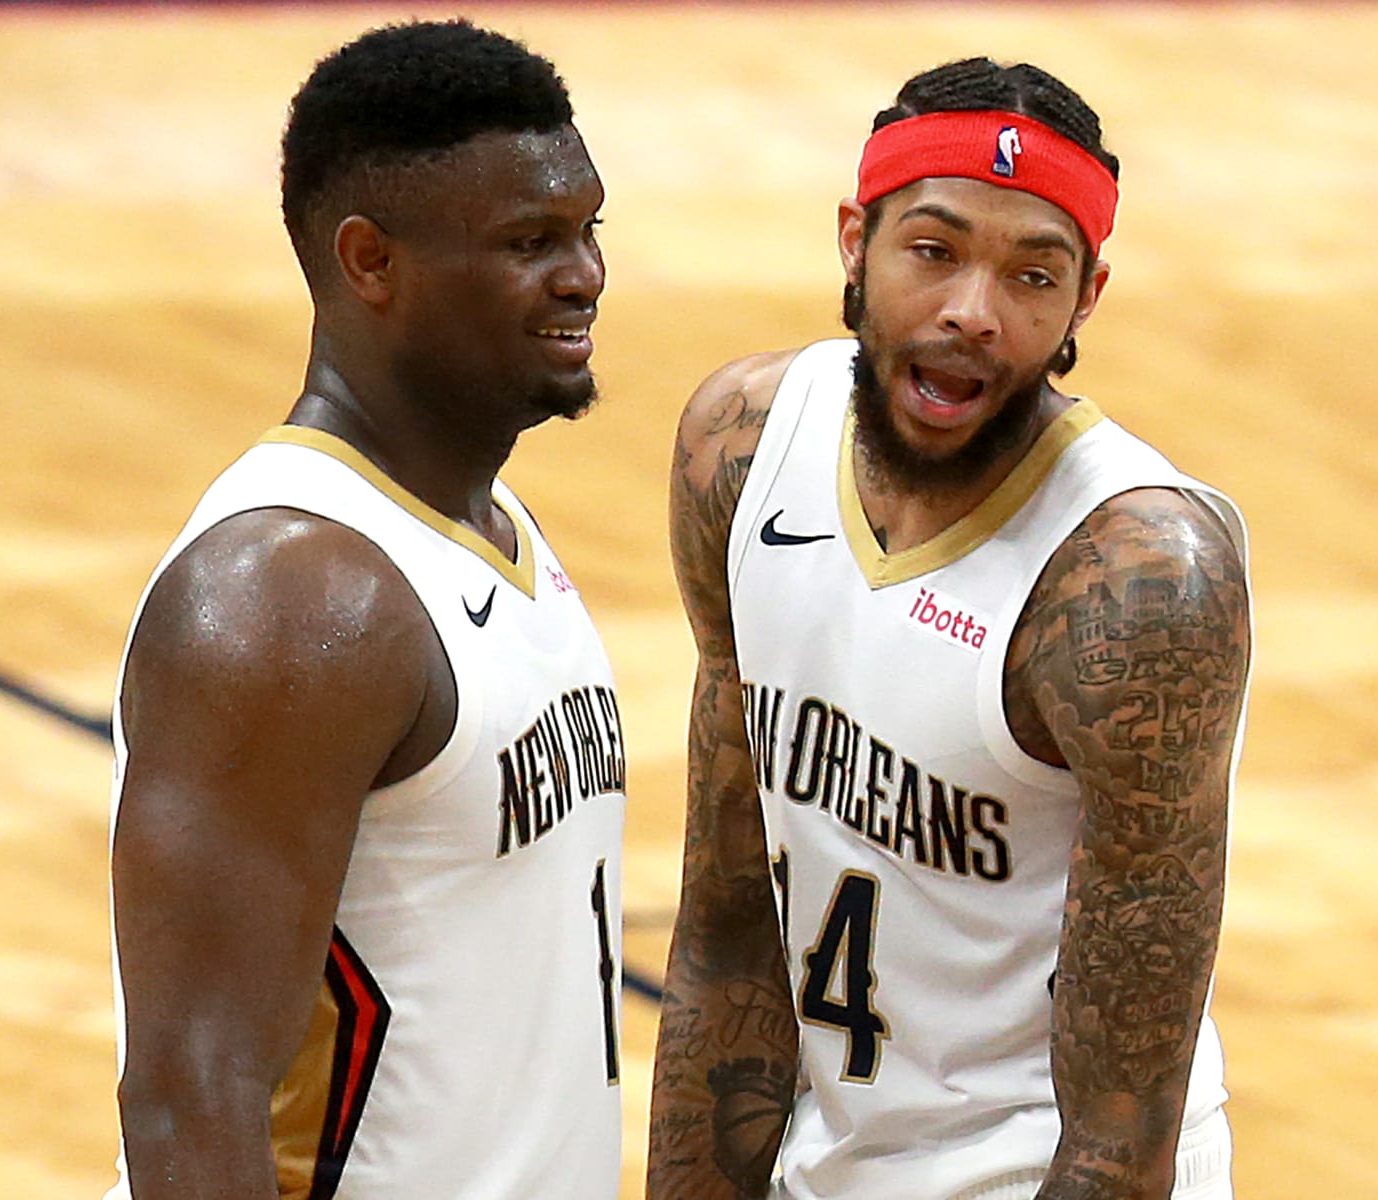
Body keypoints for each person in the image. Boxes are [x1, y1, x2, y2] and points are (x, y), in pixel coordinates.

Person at [648, 56, 1252, 1200]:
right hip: (825, 1160)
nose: (974, 312)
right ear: (853, 242)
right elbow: (727, 935)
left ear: (1087, 299)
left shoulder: (1135, 583)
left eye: (1034, 274)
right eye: (934, 251)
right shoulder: (742, 449)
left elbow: (1119, 1138)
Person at [105, 20, 627, 1200]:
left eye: (588, 229)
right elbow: (192, 1088)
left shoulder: (494, 531)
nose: (584, 272)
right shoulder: (295, 598)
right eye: (528, 241)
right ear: (370, 262)